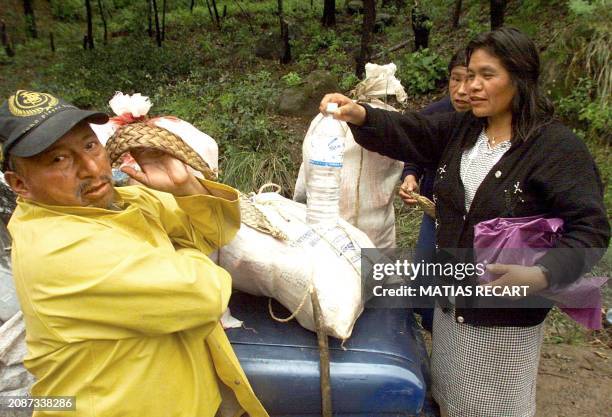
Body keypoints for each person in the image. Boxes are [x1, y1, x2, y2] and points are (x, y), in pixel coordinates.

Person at [319, 27, 610, 417]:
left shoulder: (556, 149)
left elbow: (590, 229)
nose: (472, 86)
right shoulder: (465, 130)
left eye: (486, 76)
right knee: (447, 398)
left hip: (505, 318)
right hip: (451, 304)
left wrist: (542, 275)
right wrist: (362, 114)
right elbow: (412, 130)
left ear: (520, 79)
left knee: (492, 408)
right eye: (469, 75)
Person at [0, 90, 268, 417]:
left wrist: (185, 188)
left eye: (89, 145)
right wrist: (180, 249)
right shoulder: (57, 249)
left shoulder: (118, 202)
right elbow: (202, 296)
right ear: (19, 184)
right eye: (58, 159)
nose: (90, 167)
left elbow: (217, 232)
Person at [399, 49, 471, 332]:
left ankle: (448, 337)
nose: (462, 90)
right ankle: (428, 331)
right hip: (434, 212)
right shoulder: (434, 115)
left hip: (470, 221)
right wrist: (411, 176)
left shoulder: (491, 123)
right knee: (424, 280)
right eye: (456, 79)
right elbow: (414, 151)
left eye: (470, 80)